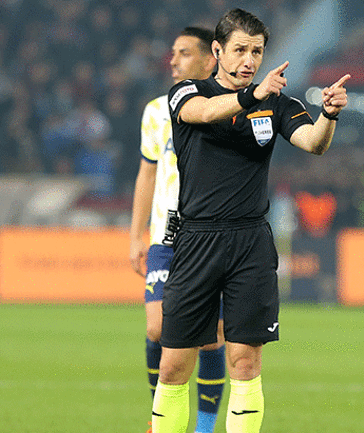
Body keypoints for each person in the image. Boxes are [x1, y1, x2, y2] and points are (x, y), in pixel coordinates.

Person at [151, 8, 349, 433]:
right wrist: (251, 96)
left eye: (257, 51)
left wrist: (329, 115)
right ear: (218, 50)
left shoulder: (277, 104)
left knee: (245, 361)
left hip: (250, 244)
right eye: (240, 50)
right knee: (172, 367)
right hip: (196, 241)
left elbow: (313, 143)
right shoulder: (187, 92)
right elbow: (203, 114)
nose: (249, 60)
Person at [128, 27, 224, 433]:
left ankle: (202, 428)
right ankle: (161, 420)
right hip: (166, 236)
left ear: (209, 60)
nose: (172, 60)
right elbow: (146, 175)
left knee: (212, 336)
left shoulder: (226, 108)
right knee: (157, 326)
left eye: (183, 53)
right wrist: (137, 235)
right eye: (172, 53)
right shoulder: (155, 111)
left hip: (213, 236)